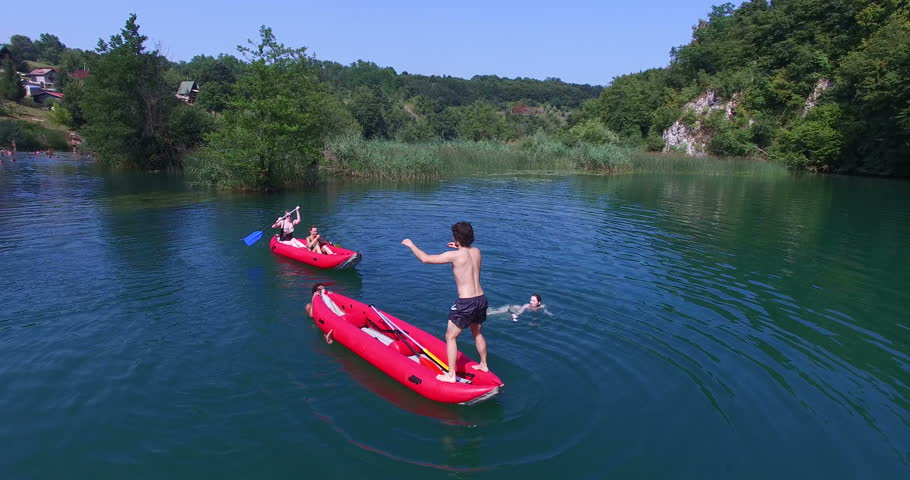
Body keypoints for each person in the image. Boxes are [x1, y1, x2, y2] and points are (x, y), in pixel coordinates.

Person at [401, 221, 489, 383]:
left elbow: (425, 259)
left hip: (466, 302)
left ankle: (451, 375)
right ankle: (483, 365)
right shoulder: (477, 252)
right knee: (477, 332)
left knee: (450, 337)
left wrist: (411, 245)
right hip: (481, 299)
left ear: (456, 237)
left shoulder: (453, 256)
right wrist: (459, 246)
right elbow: (466, 256)